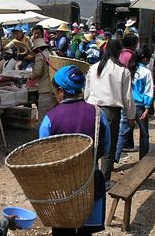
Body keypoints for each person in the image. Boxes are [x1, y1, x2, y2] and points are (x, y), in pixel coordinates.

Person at [40, 66, 110, 236]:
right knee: (86, 231)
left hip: (62, 186)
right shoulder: (99, 114)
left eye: (55, 91)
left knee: (63, 230)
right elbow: (105, 147)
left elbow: (43, 155)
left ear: (62, 91)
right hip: (90, 181)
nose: (55, 94)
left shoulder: (50, 119)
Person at [84, 40, 135, 184]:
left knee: (93, 144)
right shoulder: (122, 71)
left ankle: (90, 177)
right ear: (119, 52)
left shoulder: (94, 68)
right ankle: (104, 180)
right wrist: (131, 116)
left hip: (92, 109)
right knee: (109, 145)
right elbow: (127, 97)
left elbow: (87, 93)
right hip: (112, 112)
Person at [115, 47, 154, 162]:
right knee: (144, 134)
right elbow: (148, 91)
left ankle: (115, 158)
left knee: (123, 133)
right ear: (146, 59)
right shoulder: (146, 72)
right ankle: (143, 159)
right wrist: (148, 108)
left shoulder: (128, 70)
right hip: (140, 106)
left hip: (127, 104)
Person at [30, 38, 56, 125]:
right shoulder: (51, 54)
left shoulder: (40, 56)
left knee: (43, 119)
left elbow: (37, 72)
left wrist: (31, 76)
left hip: (45, 90)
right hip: (54, 90)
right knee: (54, 118)